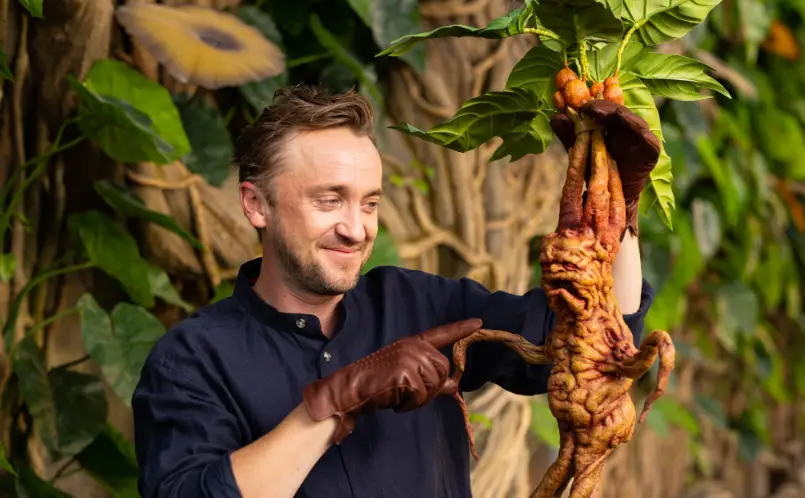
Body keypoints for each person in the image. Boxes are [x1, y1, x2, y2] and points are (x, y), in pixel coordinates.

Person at [131, 84, 659, 498]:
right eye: (329, 200)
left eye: (369, 203)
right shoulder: (192, 359)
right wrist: (336, 402)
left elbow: (585, 342)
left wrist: (620, 208)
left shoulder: (418, 304)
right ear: (256, 206)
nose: (356, 229)